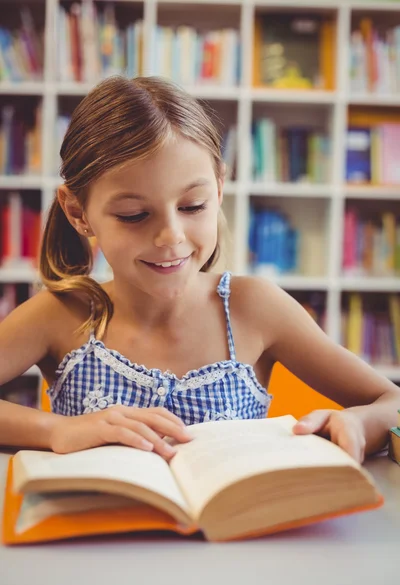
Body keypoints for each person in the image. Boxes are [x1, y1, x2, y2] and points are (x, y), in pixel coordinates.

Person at [0, 76, 398, 464]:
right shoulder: (60, 315)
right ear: (77, 212)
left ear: (219, 189)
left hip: (234, 529)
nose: (171, 237)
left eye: (193, 206)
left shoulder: (254, 307)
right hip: (96, 530)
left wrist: (361, 423)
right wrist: (56, 429)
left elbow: (392, 402)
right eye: (134, 215)